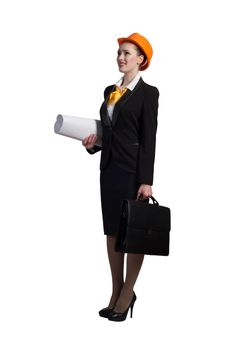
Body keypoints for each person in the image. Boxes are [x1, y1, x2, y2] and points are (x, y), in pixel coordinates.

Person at [82, 33, 159, 322]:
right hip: (109, 169)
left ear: (141, 59)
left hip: (132, 172)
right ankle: (115, 292)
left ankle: (128, 293)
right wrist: (93, 144)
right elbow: (111, 133)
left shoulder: (148, 93)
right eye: (118, 53)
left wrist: (146, 179)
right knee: (112, 231)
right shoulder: (110, 91)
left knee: (134, 232)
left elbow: (148, 139)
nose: (121, 57)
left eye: (127, 53)